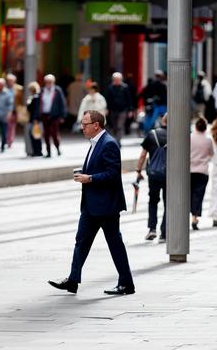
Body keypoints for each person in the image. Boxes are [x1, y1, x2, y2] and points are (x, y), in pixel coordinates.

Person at [48, 110, 135, 296]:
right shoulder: (96, 143)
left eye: (85, 124)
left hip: (106, 206)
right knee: (81, 241)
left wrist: (91, 178)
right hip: (91, 205)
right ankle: (72, 280)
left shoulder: (109, 144)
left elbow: (113, 174)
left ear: (96, 125)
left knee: (115, 244)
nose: (82, 127)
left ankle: (127, 283)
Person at [136, 113, 168, 243]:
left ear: (162, 120)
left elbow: (143, 155)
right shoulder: (177, 134)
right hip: (170, 174)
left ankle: (152, 229)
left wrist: (138, 170)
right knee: (168, 203)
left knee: (153, 201)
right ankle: (164, 232)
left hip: (154, 174)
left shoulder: (152, 134)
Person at [190, 117, 213, 230]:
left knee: (188, 194)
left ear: (195, 126)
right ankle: (194, 218)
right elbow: (211, 154)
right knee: (198, 196)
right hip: (202, 171)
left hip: (189, 170)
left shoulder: (189, 137)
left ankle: (188, 215)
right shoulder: (208, 139)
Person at [39, 74, 67, 157]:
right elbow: (39, 103)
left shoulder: (57, 90)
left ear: (53, 82)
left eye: (50, 82)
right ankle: (48, 152)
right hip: (44, 115)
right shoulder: (42, 90)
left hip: (54, 115)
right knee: (46, 134)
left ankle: (57, 148)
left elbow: (62, 103)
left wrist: (62, 115)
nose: (48, 83)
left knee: (54, 133)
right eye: (47, 82)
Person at [105, 72, 133, 145]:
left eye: (118, 79)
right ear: (113, 79)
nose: (117, 81)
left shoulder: (125, 87)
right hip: (113, 109)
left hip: (123, 110)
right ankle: (115, 139)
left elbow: (129, 99)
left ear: (121, 79)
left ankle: (118, 140)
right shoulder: (110, 87)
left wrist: (130, 110)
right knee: (114, 126)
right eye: (115, 79)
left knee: (120, 125)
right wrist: (107, 109)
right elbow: (107, 99)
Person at [5, 74, 26, 149]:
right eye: (8, 80)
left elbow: (22, 100)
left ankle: (9, 140)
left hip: (15, 110)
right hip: (6, 110)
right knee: (7, 125)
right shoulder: (4, 88)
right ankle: (7, 140)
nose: (9, 82)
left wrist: (22, 110)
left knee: (12, 126)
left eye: (11, 80)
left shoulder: (19, 88)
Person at [25, 82, 42, 157]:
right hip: (32, 119)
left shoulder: (37, 97)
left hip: (35, 120)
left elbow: (36, 109)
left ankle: (38, 151)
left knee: (36, 135)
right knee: (33, 135)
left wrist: (35, 119)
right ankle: (35, 151)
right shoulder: (32, 97)